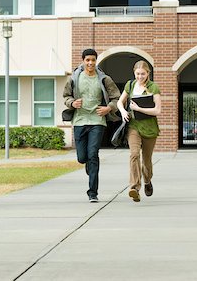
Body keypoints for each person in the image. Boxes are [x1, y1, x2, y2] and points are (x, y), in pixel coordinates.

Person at [63, 48, 120, 203]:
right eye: (87, 60)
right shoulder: (74, 78)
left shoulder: (104, 79)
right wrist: (72, 103)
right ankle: (87, 163)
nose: (90, 63)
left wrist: (108, 108)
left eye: (93, 60)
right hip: (80, 121)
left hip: (97, 121)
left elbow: (117, 97)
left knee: (93, 155)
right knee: (83, 158)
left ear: (96, 61)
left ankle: (92, 193)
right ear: (83, 61)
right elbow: (66, 96)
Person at [116, 60, 161, 202]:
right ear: (134, 73)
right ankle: (134, 187)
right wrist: (123, 111)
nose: (140, 77)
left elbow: (157, 110)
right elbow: (119, 101)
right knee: (134, 154)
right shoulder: (130, 85)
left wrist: (139, 109)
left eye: (143, 74)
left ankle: (147, 181)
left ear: (148, 73)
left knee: (146, 161)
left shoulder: (153, 87)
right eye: (137, 74)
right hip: (133, 126)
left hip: (149, 128)